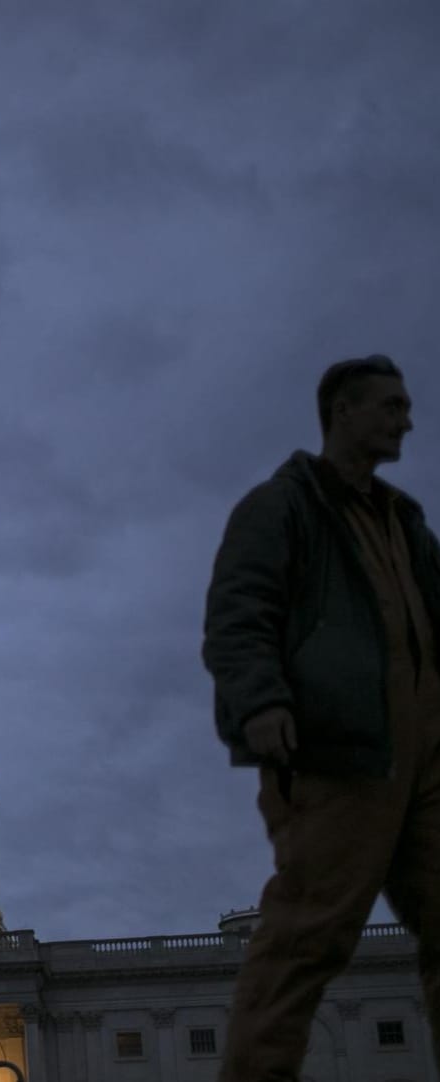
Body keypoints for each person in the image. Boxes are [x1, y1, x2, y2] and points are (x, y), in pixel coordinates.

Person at [203, 354, 439, 1079]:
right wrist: (262, 703)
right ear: (342, 411)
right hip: (337, 750)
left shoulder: (402, 518)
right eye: (389, 406)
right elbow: (238, 618)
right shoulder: (280, 506)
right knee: (307, 938)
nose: (404, 420)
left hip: (423, 754)